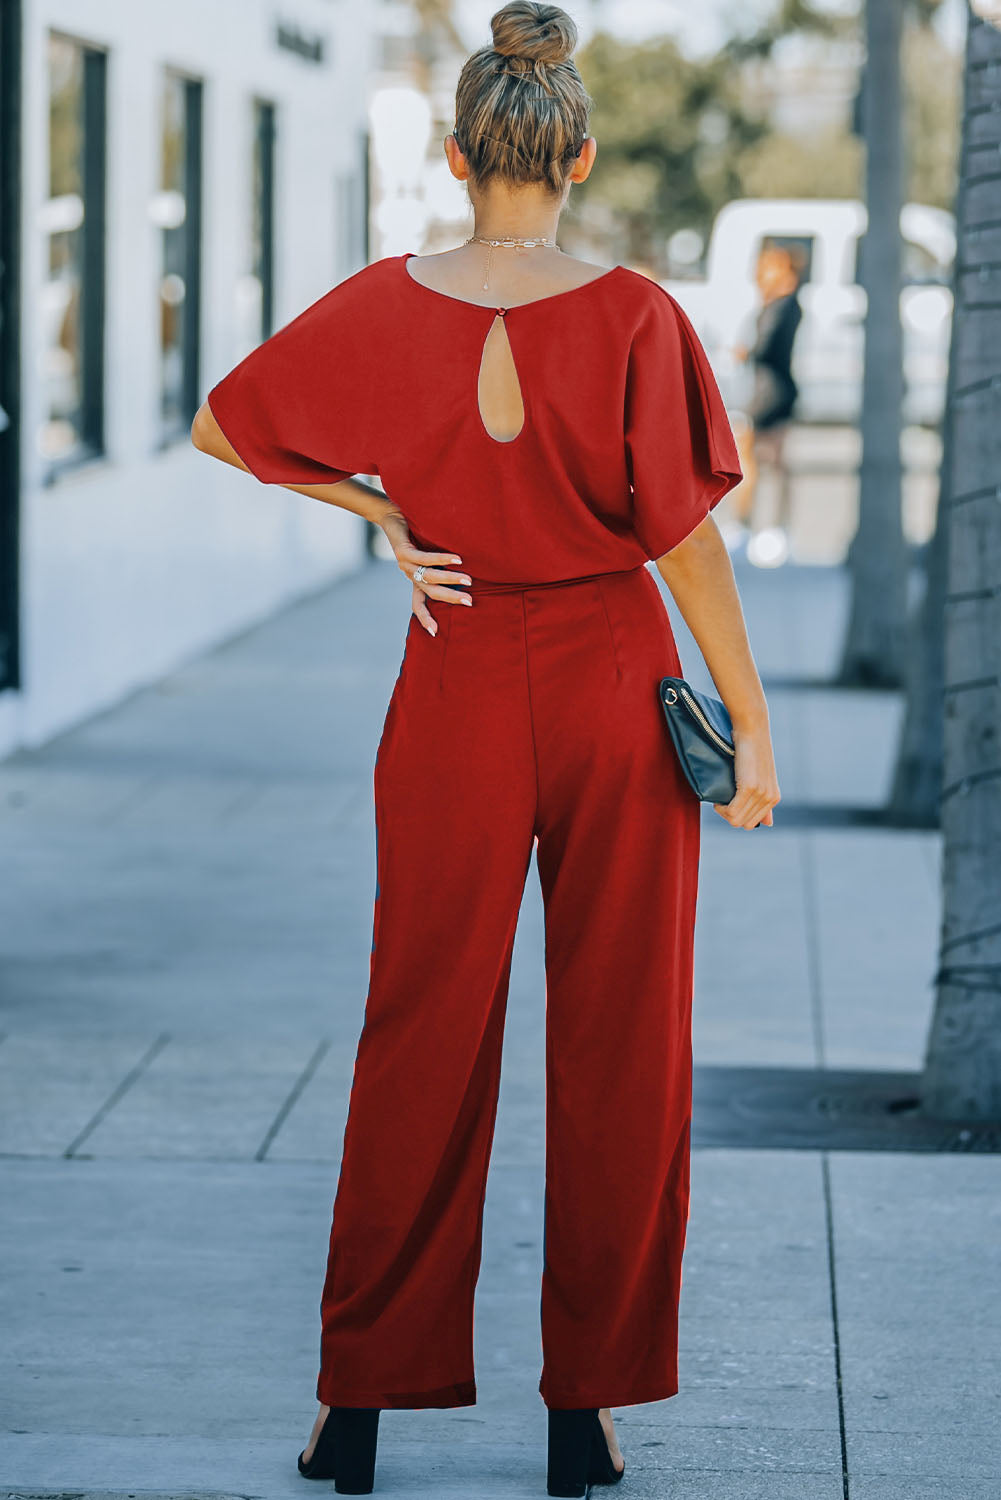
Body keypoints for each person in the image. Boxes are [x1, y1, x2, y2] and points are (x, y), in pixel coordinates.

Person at [191, 3, 780, 1493]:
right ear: (575, 153)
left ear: (459, 155)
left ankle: (357, 1409)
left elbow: (225, 428)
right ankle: (586, 1412)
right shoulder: (638, 314)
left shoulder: (382, 305)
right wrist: (751, 725)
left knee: (420, 1035)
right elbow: (689, 549)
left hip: (452, 683)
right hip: (610, 683)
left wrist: (386, 515)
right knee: (622, 1045)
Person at [728, 244, 804, 565]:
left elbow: (766, 347)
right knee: (772, 461)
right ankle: (772, 526)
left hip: (769, 392)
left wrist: (745, 352)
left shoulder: (783, 305)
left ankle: (752, 525)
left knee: (756, 460)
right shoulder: (778, 303)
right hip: (773, 390)